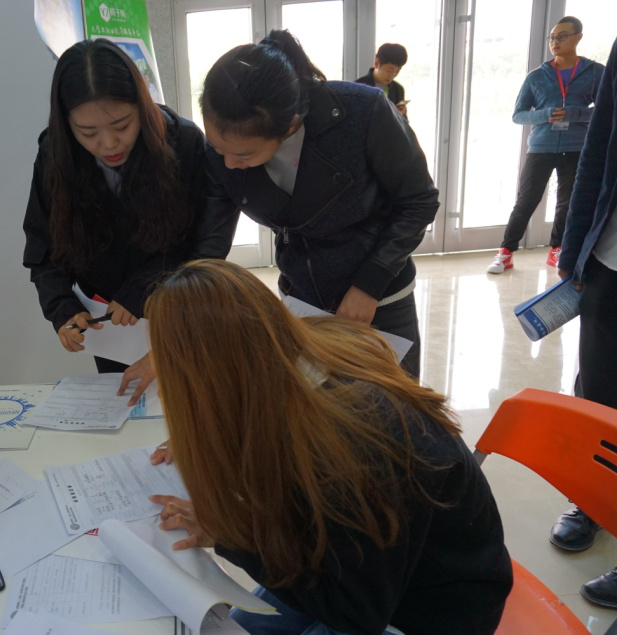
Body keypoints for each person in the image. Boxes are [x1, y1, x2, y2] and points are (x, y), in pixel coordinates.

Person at [147, 259, 513, 635]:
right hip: (359, 564)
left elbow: (356, 613)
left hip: (429, 609)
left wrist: (231, 537)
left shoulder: (349, 441)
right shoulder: (291, 355)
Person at [199, 29, 437, 379]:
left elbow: (418, 200)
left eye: (243, 155)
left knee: (394, 405)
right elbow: (211, 237)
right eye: (218, 149)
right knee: (320, 406)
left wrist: (369, 286)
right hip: (303, 301)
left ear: (288, 127)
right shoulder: (223, 148)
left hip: (379, 294)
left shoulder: (363, 111)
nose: (229, 164)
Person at [23, 38, 237, 403]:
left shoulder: (182, 142)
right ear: (66, 123)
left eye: (122, 124)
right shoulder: (55, 155)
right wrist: (62, 308)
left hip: (180, 306)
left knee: (190, 404)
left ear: (142, 105)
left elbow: (205, 246)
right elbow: (43, 244)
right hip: (111, 325)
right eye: (88, 132)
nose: (109, 144)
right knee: (128, 408)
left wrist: (147, 288)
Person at [549, 35, 617, 609]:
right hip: (611, 260)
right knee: (597, 393)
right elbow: (599, 149)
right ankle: (593, 501)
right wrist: (574, 251)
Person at [486, 16, 604, 274]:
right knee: (526, 201)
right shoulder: (537, 76)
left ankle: (557, 249)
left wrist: (576, 113)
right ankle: (506, 252)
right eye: (552, 37)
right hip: (541, 147)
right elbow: (518, 115)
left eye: (562, 36)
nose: (555, 42)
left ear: (578, 37)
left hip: (577, 147)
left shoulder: (596, 72)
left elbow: (606, 110)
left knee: (567, 202)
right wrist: (545, 114)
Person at [355, 43, 409, 118]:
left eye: (397, 71)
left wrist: (400, 115)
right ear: (377, 63)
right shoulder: (357, 87)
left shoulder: (398, 89)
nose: (393, 75)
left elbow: (404, 123)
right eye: (390, 70)